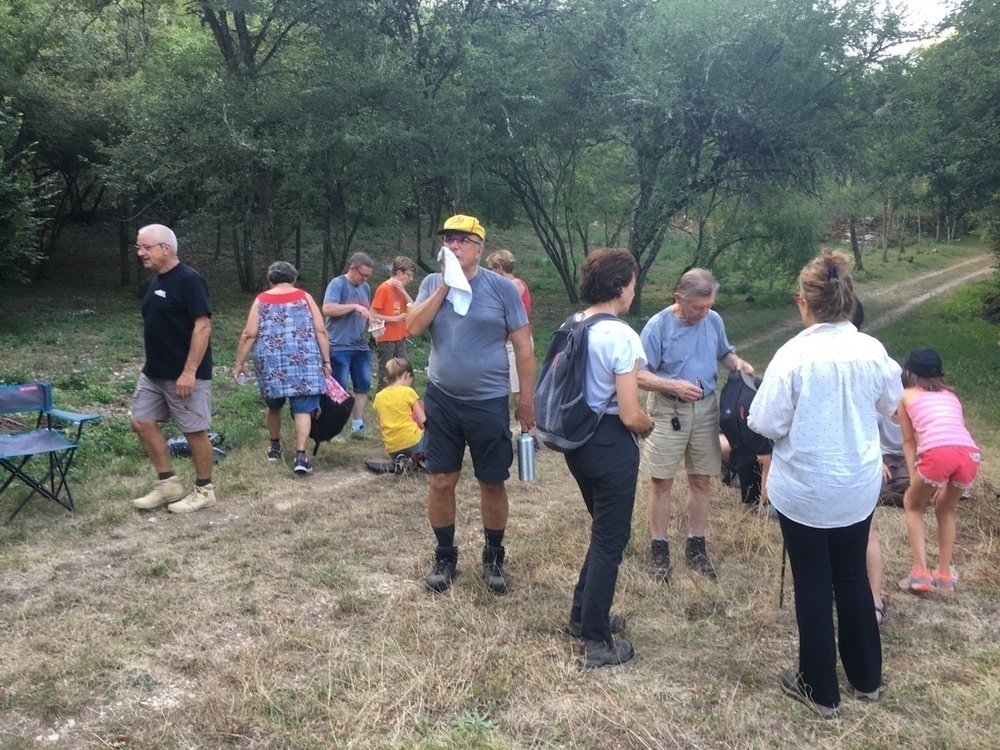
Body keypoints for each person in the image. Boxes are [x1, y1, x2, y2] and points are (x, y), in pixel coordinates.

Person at [747, 250, 902, 718]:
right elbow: (890, 402)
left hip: (807, 488)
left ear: (804, 302)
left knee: (813, 580)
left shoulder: (793, 355)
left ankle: (819, 689)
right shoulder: (872, 351)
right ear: (847, 300)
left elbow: (765, 422)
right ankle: (867, 677)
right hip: (855, 484)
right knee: (852, 574)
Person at [406, 214, 535, 594]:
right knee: (441, 480)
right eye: (449, 239)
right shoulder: (432, 283)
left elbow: (524, 348)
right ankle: (445, 555)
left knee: (491, 481)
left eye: (463, 240)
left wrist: (526, 400)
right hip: (442, 398)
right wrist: (446, 286)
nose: (454, 245)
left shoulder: (502, 289)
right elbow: (413, 327)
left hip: (488, 400)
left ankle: (494, 556)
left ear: (480, 248)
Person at [560, 248, 654, 668]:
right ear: (619, 287)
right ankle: (595, 640)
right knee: (611, 540)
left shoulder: (574, 323)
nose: (634, 291)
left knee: (603, 533)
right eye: (632, 283)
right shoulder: (621, 335)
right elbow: (630, 413)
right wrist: (648, 424)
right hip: (610, 443)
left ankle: (583, 616)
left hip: (577, 441)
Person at [638, 268, 753, 580]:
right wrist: (673, 385)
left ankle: (696, 547)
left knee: (701, 480)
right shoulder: (658, 326)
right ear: (678, 298)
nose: (704, 313)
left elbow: (724, 353)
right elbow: (639, 375)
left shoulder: (712, 320)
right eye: (698, 307)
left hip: (705, 409)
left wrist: (737, 363)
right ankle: (659, 549)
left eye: (709, 306)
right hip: (668, 409)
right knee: (661, 481)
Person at [130, 223, 217, 514]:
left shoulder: (189, 280)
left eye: (146, 247)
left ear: (165, 248)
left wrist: (189, 372)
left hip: (184, 374)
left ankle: (204, 490)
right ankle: (167, 483)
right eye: (138, 247)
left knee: (194, 431)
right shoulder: (152, 281)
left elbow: (203, 327)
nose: (140, 253)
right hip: (153, 372)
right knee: (141, 421)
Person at [233, 261, 331, 475]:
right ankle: (301, 456)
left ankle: (275, 447)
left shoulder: (261, 300)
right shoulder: (305, 297)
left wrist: (239, 362)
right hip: (303, 360)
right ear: (293, 279)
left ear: (271, 280)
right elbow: (321, 331)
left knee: (274, 405)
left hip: (271, 362)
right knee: (303, 409)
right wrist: (326, 361)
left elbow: (249, 334)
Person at [896, 348, 981, 596]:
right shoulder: (952, 397)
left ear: (909, 373)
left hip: (937, 453)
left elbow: (909, 441)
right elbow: (954, 433)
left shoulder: (906, 396)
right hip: (969, 454)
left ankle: (921, 573)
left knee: (913, 504)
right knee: (945, 509)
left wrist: (914, 477)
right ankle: (944, 576)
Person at [323, 252, 376, 436]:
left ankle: (358, 426)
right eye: (363, 275)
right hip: (339, 345)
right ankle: (335, 429)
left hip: (360, 345)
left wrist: (373, 323)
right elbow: (327, 308)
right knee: (339, 387)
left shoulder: (365, 287)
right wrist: (353, 307)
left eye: (368, 276)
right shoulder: (338, 284)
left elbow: (365, 311)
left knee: (363, 385)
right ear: (352, 268)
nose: (365, 279)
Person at [485, 249, 533, 399]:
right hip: (506, 343)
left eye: (491, 269)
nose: (490, 273)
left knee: (519, 393)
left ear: (500, 268)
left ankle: (530, 414)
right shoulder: (504, 286)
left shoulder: (514, 284)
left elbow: (500, 310)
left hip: (516, 344)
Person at [371, 256, 416, 388]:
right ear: (399, 272)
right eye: (409, 275)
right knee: (386, 375)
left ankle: (409, 398)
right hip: (386, 338)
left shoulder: (401, 290)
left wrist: (403, 291)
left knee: (406, 371)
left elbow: (414, 307)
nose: (410, 279)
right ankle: (381, 399)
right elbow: (372, 314)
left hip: (400, 337)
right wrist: (394, 319)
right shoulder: (384, 289)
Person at [372, 356, 426, 464]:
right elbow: (424, 422)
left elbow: (381, 427)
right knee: (435, 438)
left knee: (401, 453)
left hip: (392, 448)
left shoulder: (378, 397)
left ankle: (403, 461)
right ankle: (419, 458)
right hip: (413, 442)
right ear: (407, 376)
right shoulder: (408, 392)